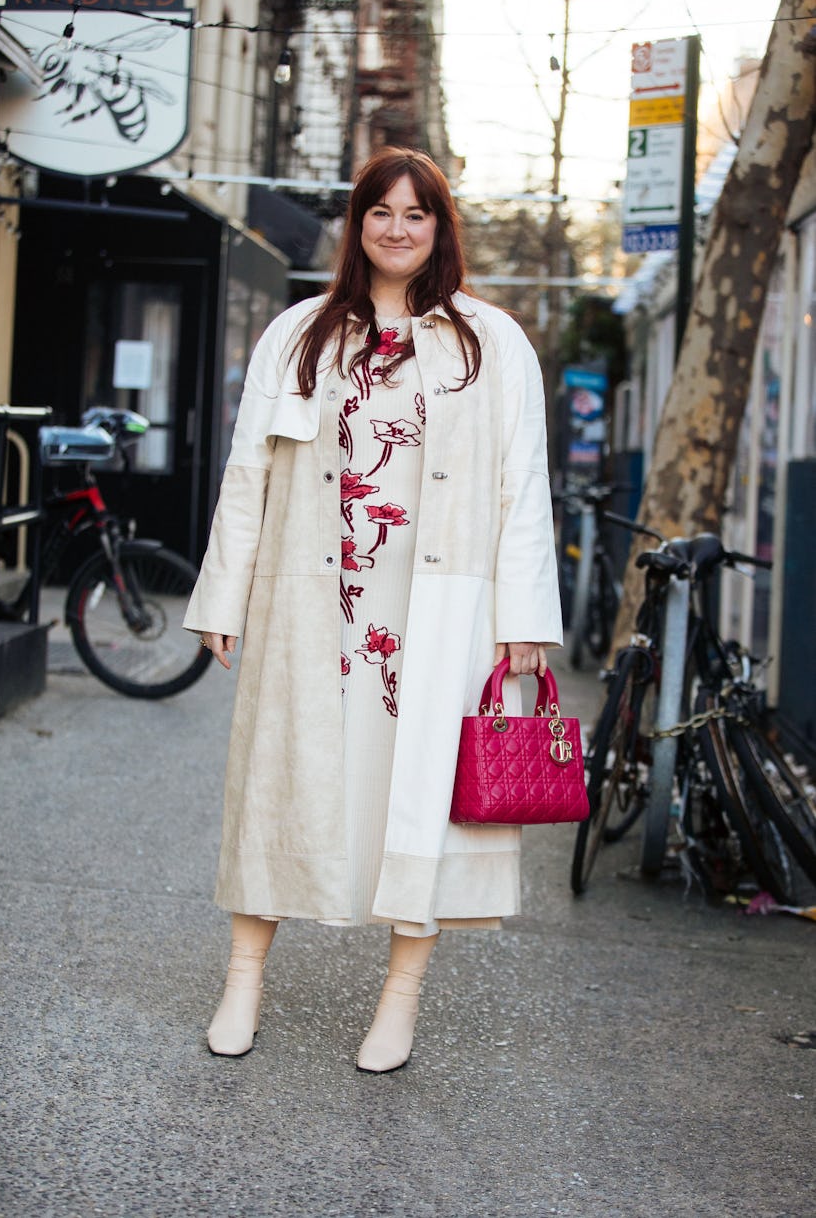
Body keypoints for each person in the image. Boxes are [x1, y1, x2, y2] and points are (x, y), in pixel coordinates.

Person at [184, 145, 562, 1071]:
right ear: (358, 226)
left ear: (441, 228)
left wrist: (524, 619)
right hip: (314, 597)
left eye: (416, 213)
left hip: (436, 605)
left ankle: (398, 1000)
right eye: (380, 212)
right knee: (279, 782)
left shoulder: (493, 343)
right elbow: (247, 473)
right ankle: (242, 980)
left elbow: (523, 482)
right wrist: (223, 591)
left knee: (422, 800)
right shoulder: (299, 334)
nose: (398, 229)